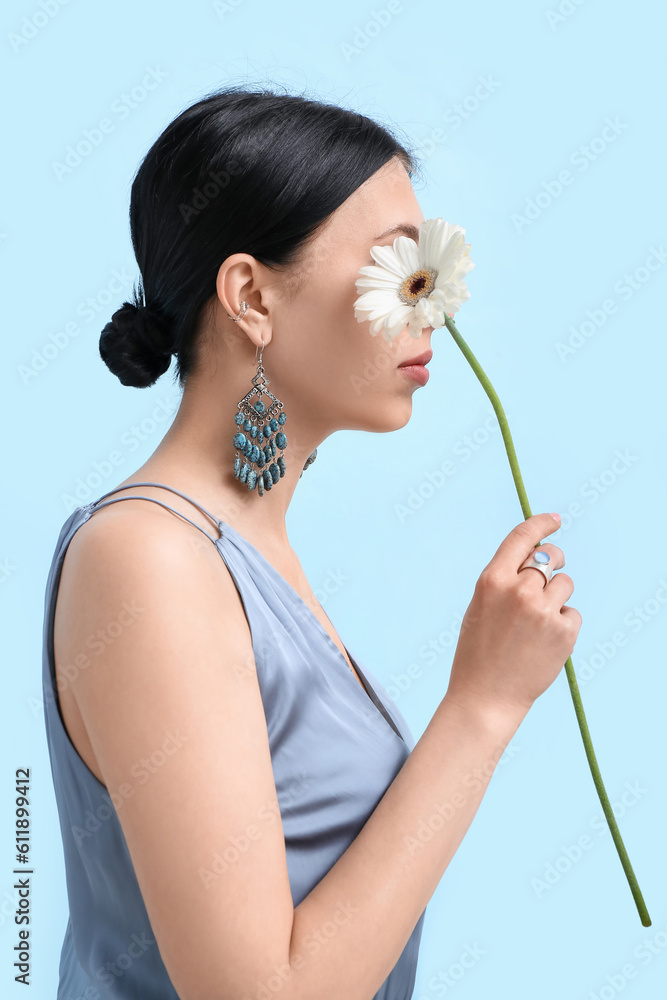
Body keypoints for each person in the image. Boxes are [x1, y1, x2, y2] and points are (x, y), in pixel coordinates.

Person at [41, 84, 581, 1000]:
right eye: (393, 266)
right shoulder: (151, 558)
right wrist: (482, 707)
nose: (432, 304)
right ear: (251, 295)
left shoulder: (236, 550)